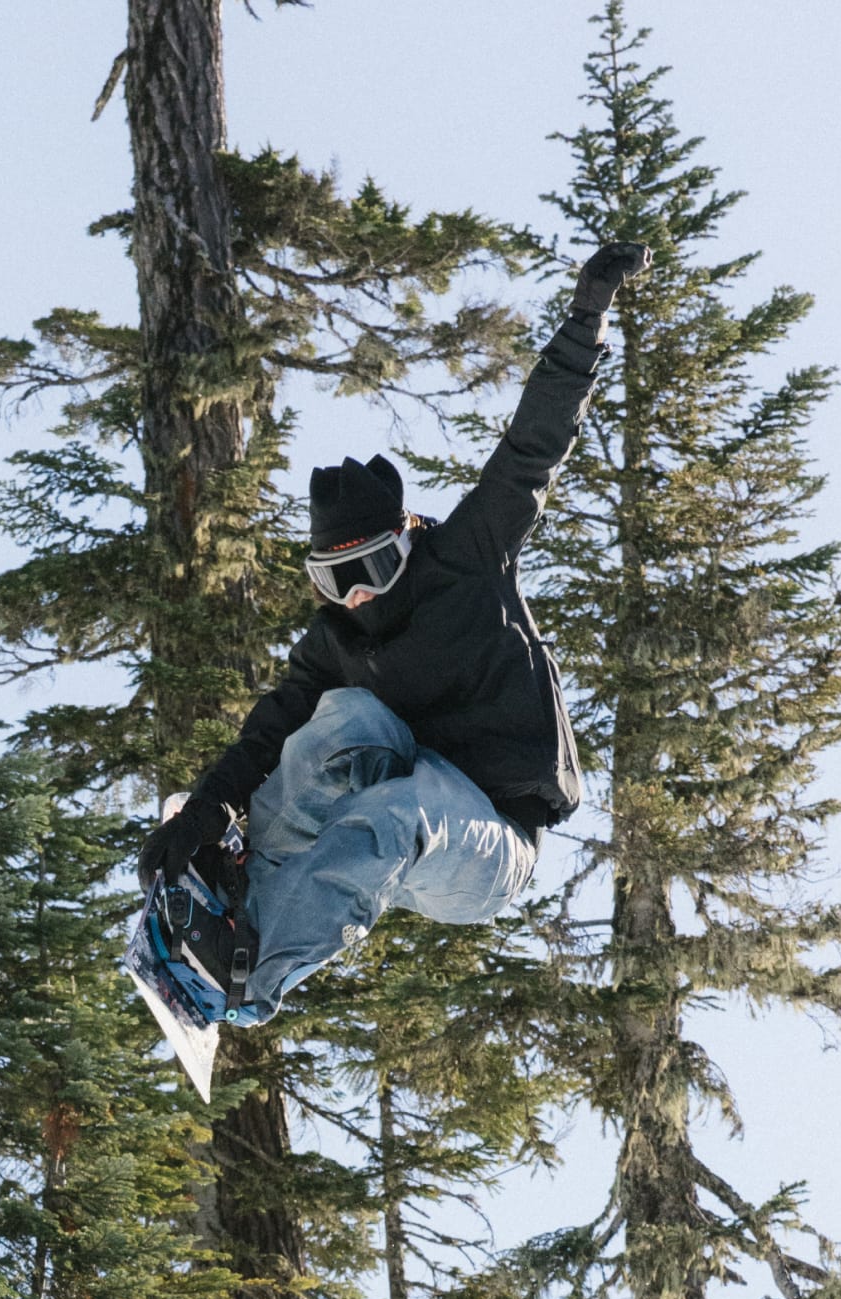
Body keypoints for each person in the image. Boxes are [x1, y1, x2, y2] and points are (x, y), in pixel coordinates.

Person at [136, 241, 650, 1028]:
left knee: (395, 813)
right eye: (333, 582)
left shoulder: (468, 559)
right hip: (409, 782)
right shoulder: (335, 640)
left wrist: (587, 317)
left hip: (491, 840)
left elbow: (531, 451)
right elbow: (266, 734)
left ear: (407, 539)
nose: (357, 596)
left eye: (370, 569)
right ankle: (238, 894)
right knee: (336, 722)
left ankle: (248, 982)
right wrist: (207, 810)